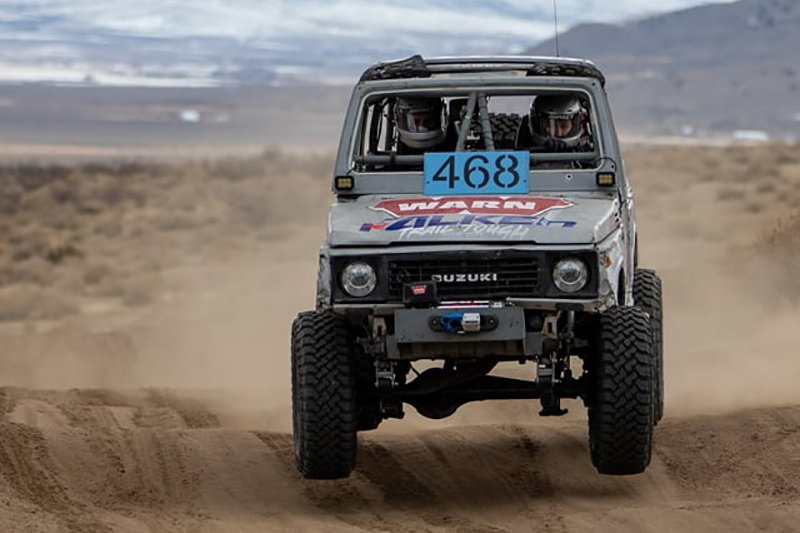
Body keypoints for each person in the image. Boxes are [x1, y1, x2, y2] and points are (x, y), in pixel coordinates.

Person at [516, 94, 593, 152]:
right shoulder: (522, 158)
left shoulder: (589, 156)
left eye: (564, 126)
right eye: (550, 125)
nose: (558, 133)